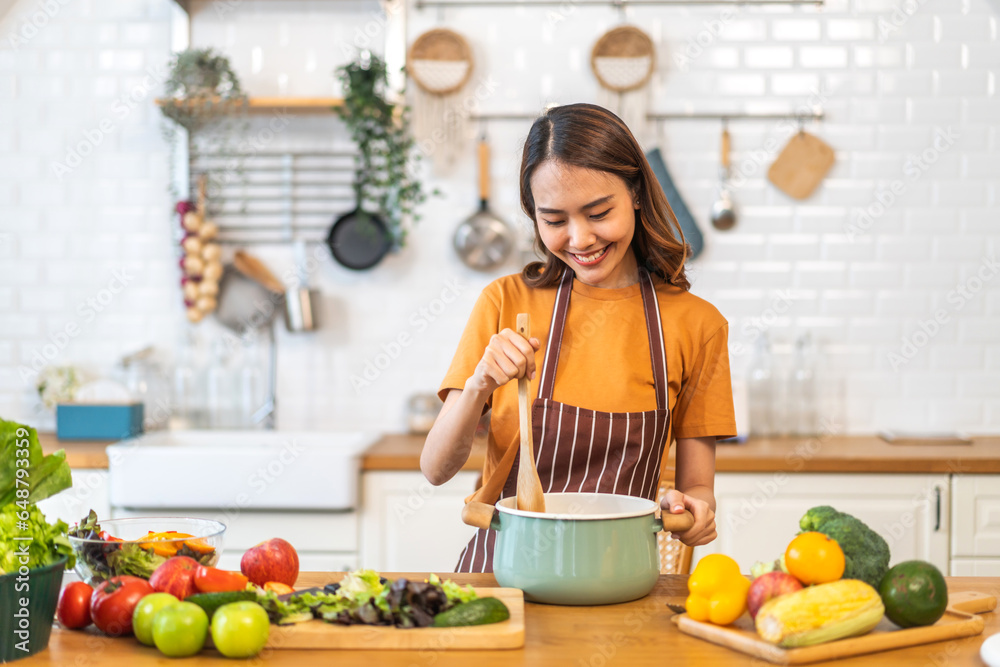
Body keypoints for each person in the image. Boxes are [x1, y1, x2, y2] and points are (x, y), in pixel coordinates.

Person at [421, 103, 736, 573]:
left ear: (635, 193)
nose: (580, 238)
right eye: (554, 220)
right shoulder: (506, 302)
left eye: (598, 212)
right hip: (503, 578)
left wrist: (694, 514)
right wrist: (478, 384)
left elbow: (697, 491)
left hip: (618, 581)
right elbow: (436, 469)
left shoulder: (697, 324)